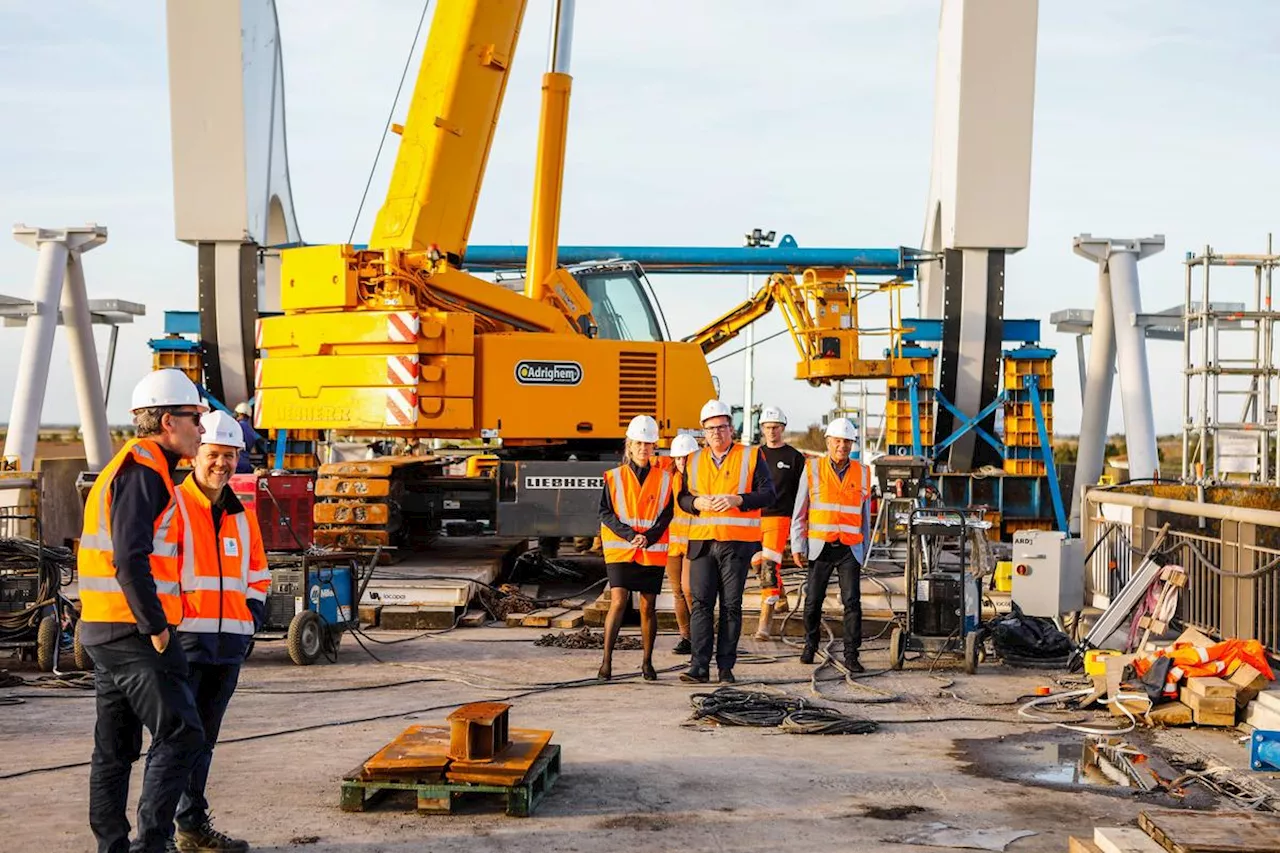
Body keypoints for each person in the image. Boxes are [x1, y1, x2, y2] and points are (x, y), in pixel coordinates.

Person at [80, 369, 208, 853]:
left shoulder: (129, 467)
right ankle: (151, 845)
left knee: (114, 748)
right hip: (133, 633)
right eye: (194, 418)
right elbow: (129, 557)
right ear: (167, 421)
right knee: (182, 732)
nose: (200, 428)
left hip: (105, 628)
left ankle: (113, 846)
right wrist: (157, 630)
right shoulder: (143, 474)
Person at [159, 410, 270, 852]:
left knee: (203, 742)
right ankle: (159, 836)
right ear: (195, 456)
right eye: (213, 455)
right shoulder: (174, 505)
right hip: (183, 644)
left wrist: (251, 619)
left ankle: (191, 825)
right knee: (173, 744)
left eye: (229, 455)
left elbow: (258, 572)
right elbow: (158, 570)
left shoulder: (242, 516)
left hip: (227, 647)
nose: (221, 464)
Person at [676, 399, 775, 684]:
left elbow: (768, 494)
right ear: (703, 433)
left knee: (731, 606)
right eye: (710, 429)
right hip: (702, 544)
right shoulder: (692, 461)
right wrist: (695, 501)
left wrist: (739, 499)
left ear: (731, 428)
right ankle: (699, 667)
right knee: (702, 605)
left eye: (721, 427)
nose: (716, 433)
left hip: (736, 544)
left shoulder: (751, 456)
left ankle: (725, 668)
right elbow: (682, 499)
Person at [790, 417, 872, 674]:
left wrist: (864, 552)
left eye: (847, 442)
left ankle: (851, 655)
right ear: (828, 442)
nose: (843, 446)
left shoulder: (862, 472)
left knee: (852, 602)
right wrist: (797, 544)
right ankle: (809, 644)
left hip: (849, 547)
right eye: (838, 441)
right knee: (813, 599)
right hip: (820, 546)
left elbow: (865, 518)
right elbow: (800, 511)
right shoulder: (812, 469)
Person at [597, 415, 675, 681]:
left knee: (648, 606)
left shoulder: (665, 479)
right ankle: (606, 662)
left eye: (648, 444)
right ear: (629, 445)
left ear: (655, 447)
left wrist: (649, 537)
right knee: (618, 601)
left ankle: (647, 663)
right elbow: (605, 512)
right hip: (621, 548)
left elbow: (667, 514)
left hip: (650, 549)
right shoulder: (614, 477)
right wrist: (630, 534)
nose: (644, 448)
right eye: (639, 443)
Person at [753, 405, 806, 641]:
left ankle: (765, 622)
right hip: (755, 516)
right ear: (762, 428)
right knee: (756, 562)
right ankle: (782, 598)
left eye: (775, 427)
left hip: (780, 516)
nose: (771, 431)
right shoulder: (755, 455)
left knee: (768, 567)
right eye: (767, 427)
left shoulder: (794, 458)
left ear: (782, 428)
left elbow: (802, 493)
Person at [659, 434, 700, 655]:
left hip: (696, 544)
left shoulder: (702, 480)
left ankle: (700, 635)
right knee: (677, 593)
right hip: (673, 545)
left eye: (687, 457)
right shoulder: (668, 480)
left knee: (689, 590)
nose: (682, 462)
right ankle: (686, 638)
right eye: (679, 458)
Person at [231, 402, 263, 474]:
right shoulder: (250, 430)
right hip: (246, 463)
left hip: (237, 463)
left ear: (239, 414)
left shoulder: (237, 426)